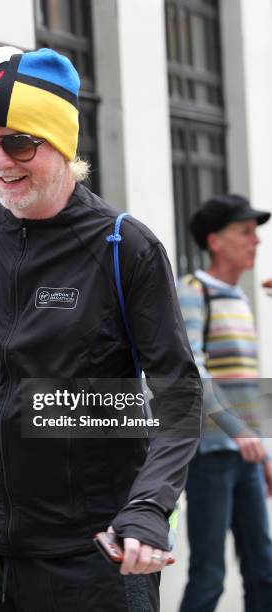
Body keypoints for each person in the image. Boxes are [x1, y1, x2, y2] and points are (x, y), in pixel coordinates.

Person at [0, 46, 201, 612]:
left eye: (18, 142)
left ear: (62, 144)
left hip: (94, 553)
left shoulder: (124, 247)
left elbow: (179, 393)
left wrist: (149, 506)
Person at [177, 194, 272, 612]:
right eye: (245, 233)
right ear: (215, 241)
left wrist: (263, 450)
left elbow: (246, 385)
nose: (256, 242)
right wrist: (240, 432)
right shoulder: (194, 292)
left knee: (264, 570)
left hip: (246, 456)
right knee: (209, 577)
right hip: (210, 455)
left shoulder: (240, 297)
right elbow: (192, 371)